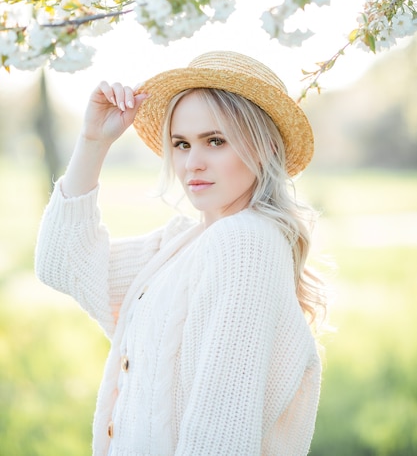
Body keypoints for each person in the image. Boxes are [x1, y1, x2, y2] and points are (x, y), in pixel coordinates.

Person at [35, 50, 326, 456]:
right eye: (182, 144)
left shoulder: (245, 244)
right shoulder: (182, 245)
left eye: (216, 141)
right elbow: (62, 264)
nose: (193, 163)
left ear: (265, 149)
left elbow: (220, 434)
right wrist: (92, 142)